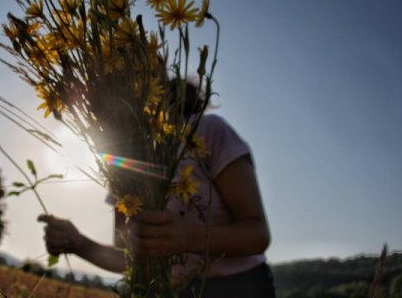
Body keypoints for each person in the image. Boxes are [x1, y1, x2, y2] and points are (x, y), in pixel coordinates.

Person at [38, 82, 276, 297]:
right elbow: (130, 257)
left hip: (239, 287)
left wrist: (188, 237)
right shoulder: (123, 164)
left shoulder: (206, 131)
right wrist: (79, 244)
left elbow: (257, 234)